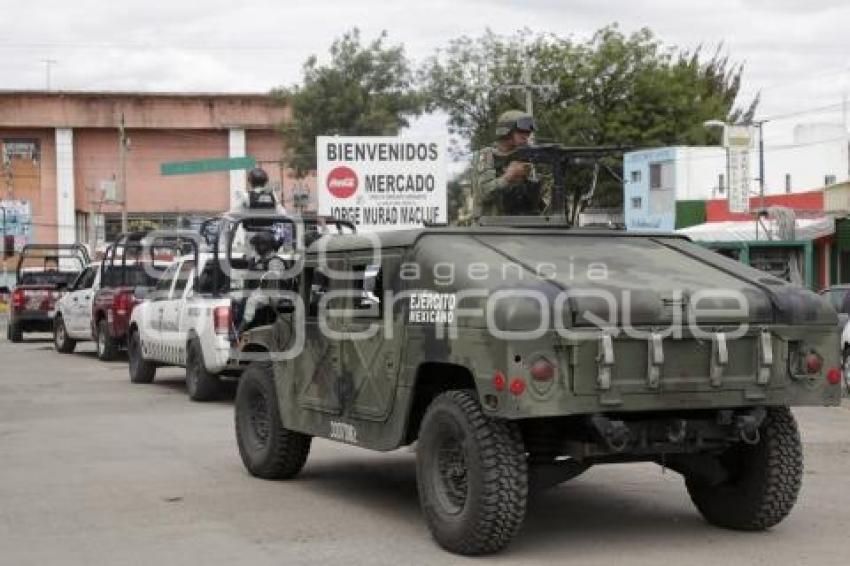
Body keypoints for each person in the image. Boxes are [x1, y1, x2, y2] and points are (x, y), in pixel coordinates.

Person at [471, 110, 544, 218]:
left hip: (520, 225)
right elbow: (484, 193)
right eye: (521, 131)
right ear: (506, 131)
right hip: (490, 228)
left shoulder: (523, 155)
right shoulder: (486, 156)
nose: (526, 136)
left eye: (528, 132)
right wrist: (508, 177)